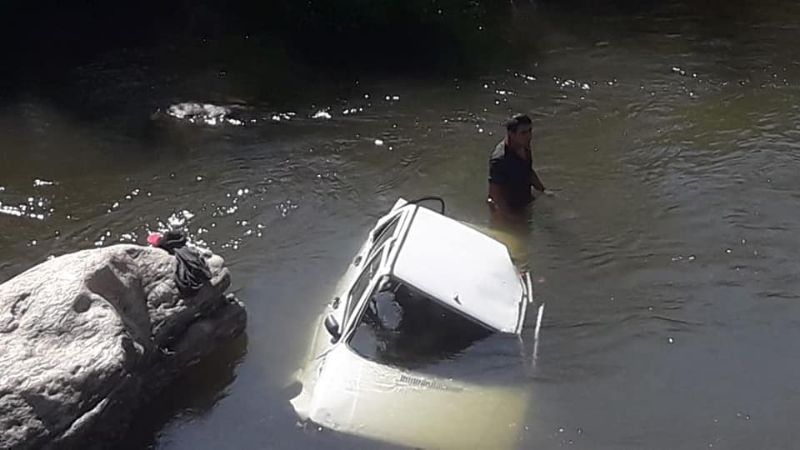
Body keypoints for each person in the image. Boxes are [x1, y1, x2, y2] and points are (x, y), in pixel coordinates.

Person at [487, 114, 548, 220]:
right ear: (511, 134)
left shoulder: (524, 145)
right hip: (510, 209)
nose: (529, 136)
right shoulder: (500, 160)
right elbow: (494, 197)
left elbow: (527, 170)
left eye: (530, 131)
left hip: (525, 200)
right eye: (523, 133)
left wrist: (542, 190)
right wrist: (509, 217)